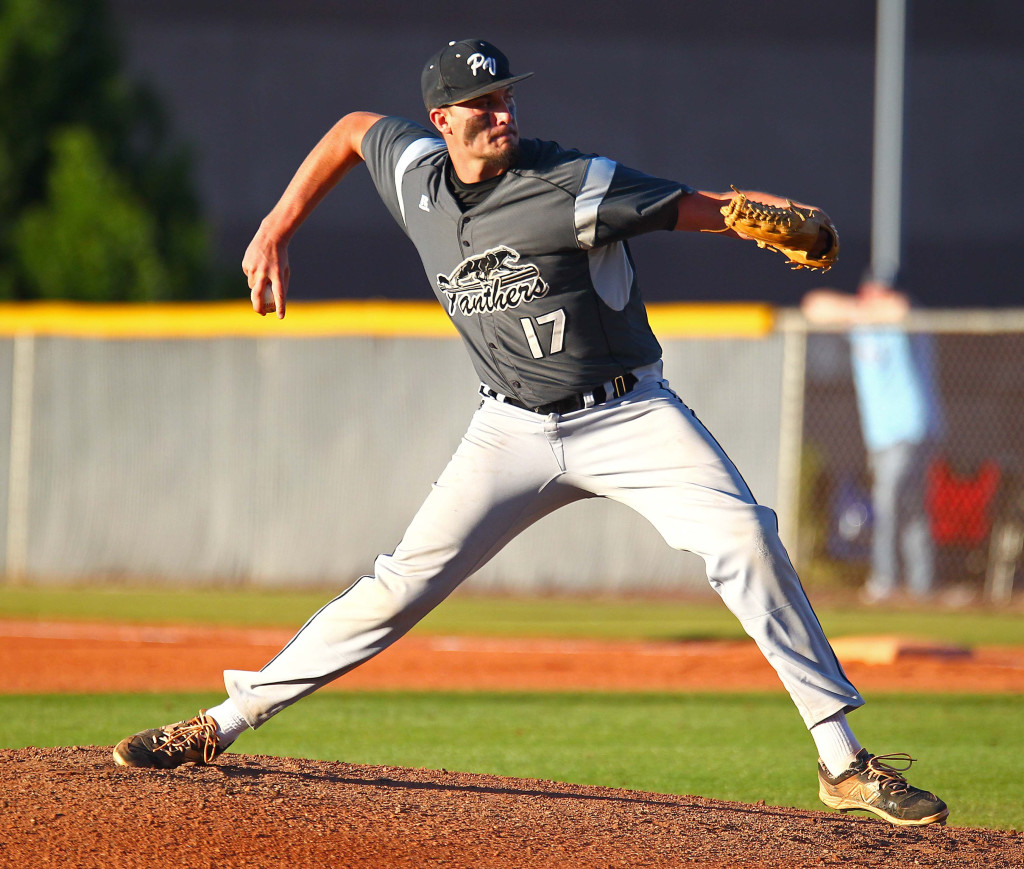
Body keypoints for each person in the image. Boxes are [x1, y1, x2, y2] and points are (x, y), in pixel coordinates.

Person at [112, 38, 948, 826]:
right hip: (509, 429)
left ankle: (841, 761)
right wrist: (276, 224)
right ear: (443, 121)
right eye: (481, 104)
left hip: (628, 414)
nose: (500, 114)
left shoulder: (572, 182)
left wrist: (749, 217)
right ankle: (223, 720)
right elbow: (349, 132)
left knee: (747, 538)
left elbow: (699, 206)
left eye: (505, 97)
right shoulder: (416, 175)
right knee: (401, 583)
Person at [801, 275, 944, 603]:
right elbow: (813, 306)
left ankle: (885, 581)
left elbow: (899, 309)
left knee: (888, 502)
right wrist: (859, 309)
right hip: (880, 434)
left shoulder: (901, 318)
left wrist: (866, 308)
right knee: (908, 509)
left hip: (912, 428)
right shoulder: (862, 321)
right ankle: (922, 587)